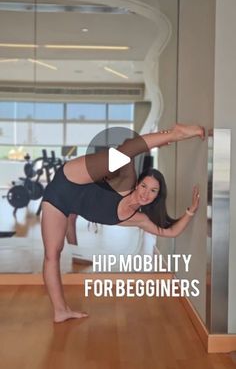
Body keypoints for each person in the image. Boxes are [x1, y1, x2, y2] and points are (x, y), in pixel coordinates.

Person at [41, 123, 204, 322]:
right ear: (137, 184)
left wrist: (190, 211)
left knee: (52, 254)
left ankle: (60, 311)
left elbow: (169, 233)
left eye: (153, 191)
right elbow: (129, 147)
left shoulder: (138, 218)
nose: (146, 193)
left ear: (157, 196)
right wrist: (161, 138)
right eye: (144, 186)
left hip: (57, 201)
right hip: (71, 177)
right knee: (121, 154)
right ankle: (176, 133)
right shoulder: (126, 182)